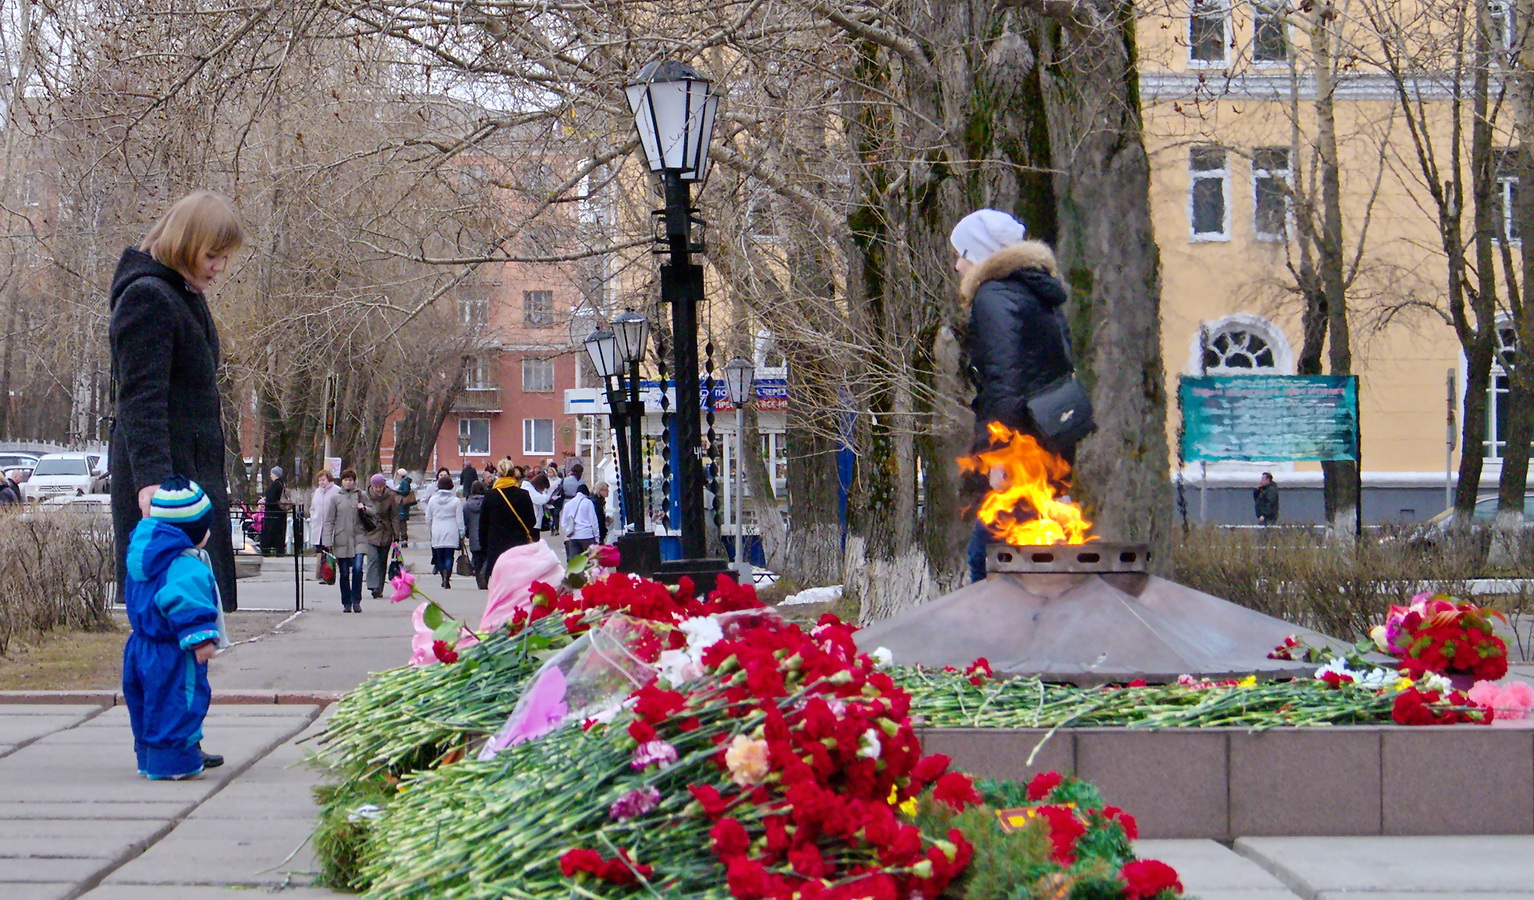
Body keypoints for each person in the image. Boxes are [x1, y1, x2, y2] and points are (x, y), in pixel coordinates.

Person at [110, 190, 244, 612]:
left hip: (188, 475)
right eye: (212, 256)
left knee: (196, 621)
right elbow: (140, 399)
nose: (220, 268)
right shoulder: (148, 297)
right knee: (171, 619)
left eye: (224, 257)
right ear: (185, 243)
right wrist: (153, 484)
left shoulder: (182, 296)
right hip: (166, 484)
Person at [952, 209, 1077, 583]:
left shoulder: (993, 296)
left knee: (988, 558)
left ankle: (1003, 639)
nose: (958, 266)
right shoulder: (1038, 295)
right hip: (1049, 445)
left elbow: (1004, 380)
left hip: (1019, 451)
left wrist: (999, 456)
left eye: (961, 254)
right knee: (1033, 558)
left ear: (978, 254)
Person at [121, 476, 223, 780]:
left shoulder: (143, 556)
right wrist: (202, 639)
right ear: (196, 531)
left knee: (148, 703)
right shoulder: (183, 565)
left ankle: (149, 758)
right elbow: (187, 603)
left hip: (140, 646)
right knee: (179, 702)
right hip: (172, 650)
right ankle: (175, 764)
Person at [480, 459, 539, 578]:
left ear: (498, 475)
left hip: (496, 547)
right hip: (518, 546)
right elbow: (531, 521)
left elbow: (483, 524)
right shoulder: (523, 495)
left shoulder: (490, 496)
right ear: (514, 474)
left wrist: (484, 548)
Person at [322, 469, 367, 612]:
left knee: (358, 569)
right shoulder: (335, 498)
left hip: (359, 538)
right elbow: (329, 521)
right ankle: (346, 602)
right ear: (341, 481)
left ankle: (356, 600)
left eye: (351, 480)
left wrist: (364, 508)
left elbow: (374, 512)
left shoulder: (361, 495)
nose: (348, 482)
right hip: (341, 539)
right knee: (344, 573)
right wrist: (327, 540)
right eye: (346, 479)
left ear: (354, 481)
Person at [361, 473, 400, 599]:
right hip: (370, 531)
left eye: (380, 487)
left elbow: (394, 516)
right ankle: (372, 585)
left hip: (385, 532)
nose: (378, 489)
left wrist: (396, 534)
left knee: (382, 561)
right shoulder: (365, 496)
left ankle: (379, 587)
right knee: (373, 559)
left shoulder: (390, 496)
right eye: (375, 486)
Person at [426, 474, 465, 589]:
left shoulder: (433, 500)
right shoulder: (455, 501)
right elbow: (459, 519)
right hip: (451, 529)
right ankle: (447, 577)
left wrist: (431, 528)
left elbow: (428, 517)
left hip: (437, 529)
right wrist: (461, 533)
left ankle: (442, 573)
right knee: (449, 555)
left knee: (439, 555)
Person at [309, 470, 340, 578]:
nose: (321, 482)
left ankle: (328, 574)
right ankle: (321, 573)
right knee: (320, 549)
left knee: (328, 550)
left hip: (331, 525)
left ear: (329, 479)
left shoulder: (336, 491)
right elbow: (312, 508)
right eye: (319, 480)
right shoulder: (317, 492)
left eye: (323, 480)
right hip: (318, 525)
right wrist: (313, 517)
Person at [560, 483, 600, 561]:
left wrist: (568, 532)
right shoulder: (588, 503)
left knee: (576, 563)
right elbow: (594, 521)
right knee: (590, 562)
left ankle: (577, 573)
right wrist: (597, 537)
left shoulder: (568, 504)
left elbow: (563, 522)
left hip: (574, 537)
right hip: (587, 535)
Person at [462, 480, 488, 589]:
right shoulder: (488, 502)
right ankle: (485, 577)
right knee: (487, 558)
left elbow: (465, 521)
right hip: (487, 535)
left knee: (477, 560)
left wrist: (466, 532)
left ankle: (479, 580)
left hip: (474, 536)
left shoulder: (467, 505)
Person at [260, 466, 288, 557]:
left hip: (273, 513)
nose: (270, 475)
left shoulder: (275, 485)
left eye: (272, 473)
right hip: (279, 513)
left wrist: (265, 502)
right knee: (279, 534)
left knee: (270, 532)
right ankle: (279, 550)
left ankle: (266, 550)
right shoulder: (281, 484)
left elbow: (271, 499)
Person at [392, 468, 415, 547]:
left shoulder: (405, 482)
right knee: (401, 519)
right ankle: (403, 535)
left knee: (402, 520)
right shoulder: (405, 481)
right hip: (402, 504)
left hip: (403, 503)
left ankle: (403, 535)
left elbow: (405, 491)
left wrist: (397, 491)